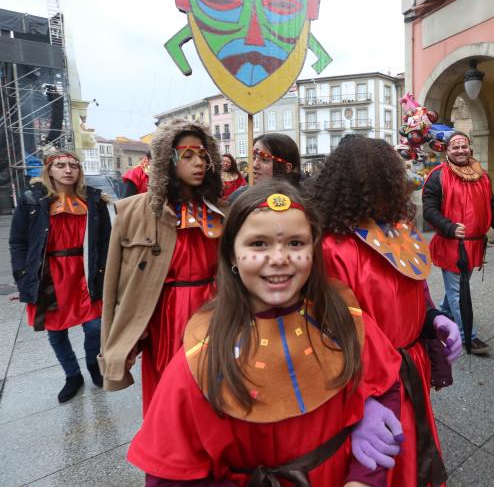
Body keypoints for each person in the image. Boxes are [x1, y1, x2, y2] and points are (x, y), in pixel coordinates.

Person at [127, 182, 405, 486]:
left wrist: (364, 475)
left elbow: (385, 385)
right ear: (232, 255)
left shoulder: (344, 321)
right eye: (258, 244)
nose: (279, 258)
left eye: (296, 243)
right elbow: (169, 475)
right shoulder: (202, 356)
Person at [312, 136, 460, 487]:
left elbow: (416, 288)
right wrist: (358, 402)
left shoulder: (402, 233)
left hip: (413, 370)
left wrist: (433, 318)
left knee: (414, 453)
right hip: (370, 380)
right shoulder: (332, 248)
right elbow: (330, 333)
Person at [100, 120, 224, 412]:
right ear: (167, 159)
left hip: (214, 310)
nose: (199, 163)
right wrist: (117, 341)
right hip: (166, 313)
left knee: (212, 385)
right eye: (188, 155)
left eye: (203, 155)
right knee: (170, 389)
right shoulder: (132, 212)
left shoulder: (223, 210)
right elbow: (115, 284)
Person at [9, 150, 111, 403]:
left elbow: (107, 241)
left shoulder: (94, 200)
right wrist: (23, 277)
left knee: (95, 326)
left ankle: (93, 365)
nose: (68, 170)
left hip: (85, 271)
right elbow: (18, 241)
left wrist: (110, 273)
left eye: (74, 165)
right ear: (49, 170)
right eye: (61, 165)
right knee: (56, 331)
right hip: (49, 275)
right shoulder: (31, 200)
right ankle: (72, 375)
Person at [422, 131, 494, 355]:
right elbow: (429, 211)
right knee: (459, 290)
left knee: (458, 287)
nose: (460, 151)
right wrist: (449, 227)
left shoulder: (482, 175)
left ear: (470, 148)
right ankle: (466, 335)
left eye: (464, 147)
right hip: (451, 245)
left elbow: (492, 206)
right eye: (455, 147)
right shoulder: (437, 176)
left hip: (475, 245)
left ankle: (442, 313)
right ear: (447, 151)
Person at [228, 133, 301, 202]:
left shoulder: (300, 203)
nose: (254, 165)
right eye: (253, 158)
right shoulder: (239, 197)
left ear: (286, 168)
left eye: (264, 160)